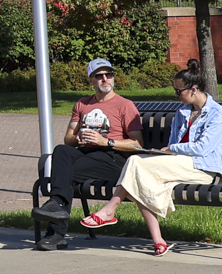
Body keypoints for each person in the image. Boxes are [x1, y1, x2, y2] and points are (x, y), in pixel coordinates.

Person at [78, 68, 222, 257]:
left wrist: (171, 150)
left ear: (194, 89)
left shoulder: (218, 114)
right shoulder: (182, 111)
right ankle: (159, 241)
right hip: (177, 164)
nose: (176, 95)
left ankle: (110, 209)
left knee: (136, 165)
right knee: (140, 174)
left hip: (203, 168)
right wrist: (163, 152)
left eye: (178, 91)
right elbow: (174, 143)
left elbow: (202, 148)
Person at [31, 58, 143, 247]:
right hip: (86, 153)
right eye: (99, 76)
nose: (105, 79)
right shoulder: (82, 104)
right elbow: (68, 138)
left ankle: (55, 231)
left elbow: (138, 144)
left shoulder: (125, 105)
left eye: (109, 75)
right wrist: (79, 138)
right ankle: (56, 209)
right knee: (61, 150)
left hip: (113, 158)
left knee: (65, 175)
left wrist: (105, 142)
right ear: (91, 80)